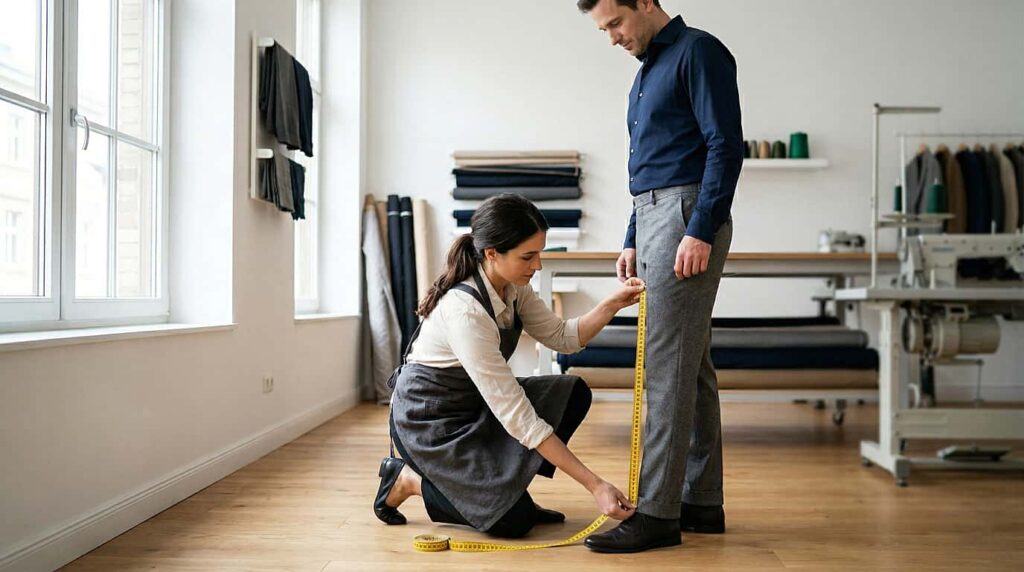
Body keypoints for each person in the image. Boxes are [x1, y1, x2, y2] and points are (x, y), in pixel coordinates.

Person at [374, 193, 647, 538]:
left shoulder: (513, 289)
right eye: (528, 256)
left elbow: (564, 337)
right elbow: (518, 418)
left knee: (570, 392)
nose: (538, 266)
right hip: (429, 421)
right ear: (492, 254)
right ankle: (408, 479)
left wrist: (612, 304)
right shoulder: (465, 311)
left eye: (539, 254)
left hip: (473, 405)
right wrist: (595, 485)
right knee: (513, 523)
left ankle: (504, 493)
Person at [577, 0, 743, 553]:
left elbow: (724, 145)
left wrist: (698, 228)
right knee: (690, 365)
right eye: (604, 30)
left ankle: (655, 513)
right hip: (654, 214)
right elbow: (651, 160)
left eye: (616, 23)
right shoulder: (648, 74)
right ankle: (701, 501)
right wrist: (631, 234)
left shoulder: (699, 51)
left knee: (664, 369)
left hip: (683, 215)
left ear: (646, 3)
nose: (613, 38)